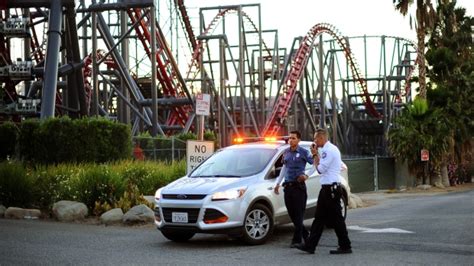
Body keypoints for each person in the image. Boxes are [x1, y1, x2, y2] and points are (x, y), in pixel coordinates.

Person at [296, 128, 352, 254]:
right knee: (319, 218)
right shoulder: (329, 149)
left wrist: (315, 154)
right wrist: (317, 154)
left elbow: (320, 169)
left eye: (316, 138)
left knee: (336, 219)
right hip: (327, 188)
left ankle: (345, 245)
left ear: (322, 138)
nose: (314, 140)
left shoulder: (328, 150)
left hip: (330, 188)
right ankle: (310, 245)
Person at [274, 130, 315, 248]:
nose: (290, 140)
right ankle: (306, 235)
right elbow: (284, 168)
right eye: (289, 138)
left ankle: (297, 239)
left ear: (298, 140)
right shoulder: (286, 152)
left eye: (293, 138)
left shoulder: (303, 152)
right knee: (292, 214)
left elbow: (315, 164)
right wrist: (278, 183)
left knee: (298, 214)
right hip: (288, 186)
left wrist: (307, 175)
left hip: (299, 187)